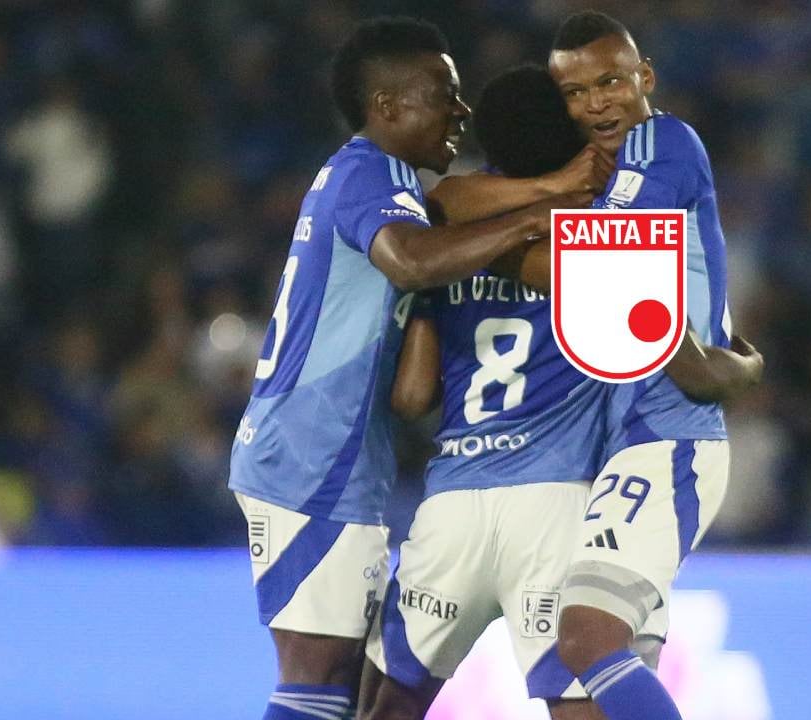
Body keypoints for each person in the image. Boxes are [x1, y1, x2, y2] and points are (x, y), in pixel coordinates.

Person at [360, 64, 762, 720]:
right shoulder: (600, 228)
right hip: (558, 503)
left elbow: (413, 396)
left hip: (454, 502)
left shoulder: (451, 231)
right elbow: (667, 341)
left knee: (382, 707)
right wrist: (739, 368)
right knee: (585, 695)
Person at [226, 19, 594, 720]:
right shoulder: (370, 175)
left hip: (332, 452)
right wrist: (536, 218)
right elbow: (412, 260)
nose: (461, 110)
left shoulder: (386, 185)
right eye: (443, 94)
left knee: (339, 690)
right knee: (315, 681)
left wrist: (542, 195)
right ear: (388, 106)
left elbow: (412, 386)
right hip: (312, 453)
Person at [514, 12, 742, 720]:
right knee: (589, 693)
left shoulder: (661, 143)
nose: (596, 104)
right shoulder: (598, 172)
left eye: (610, 82)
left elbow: (602, 263)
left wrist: (488, 242)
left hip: (668, 436)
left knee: (586, 636)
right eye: (575, 93)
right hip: (621, 445)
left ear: (645, 78)